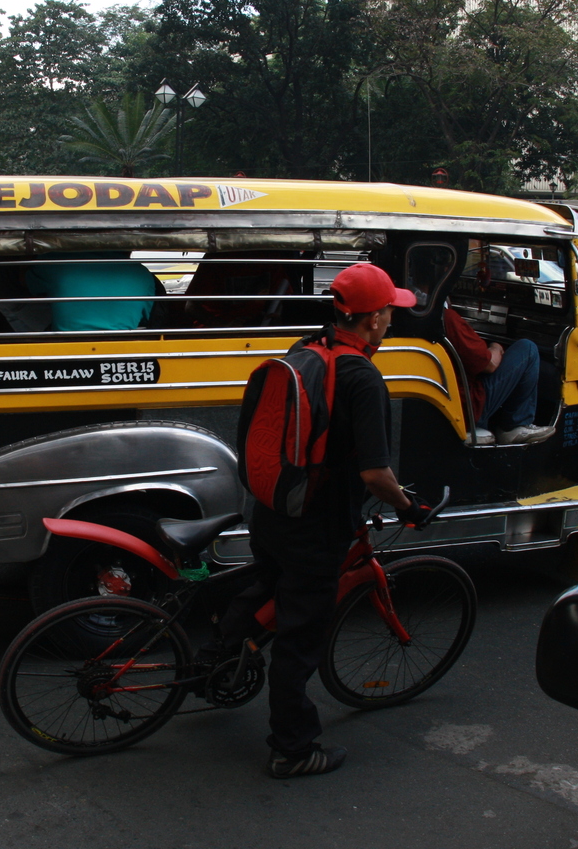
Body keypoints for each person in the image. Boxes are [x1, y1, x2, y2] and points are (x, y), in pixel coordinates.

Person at [221, 261, 422, 778]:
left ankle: (217, 668)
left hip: (272, 508)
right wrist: (406, 506)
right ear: (373, 319)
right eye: (390, 313)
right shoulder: (363, 377)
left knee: (262, 589)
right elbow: (375, 473)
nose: (392, 321)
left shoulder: (305, 350)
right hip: (315, 523)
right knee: (300, 638)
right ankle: (293, 749)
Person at [442, 303, 551, 445]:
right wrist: (496, 346)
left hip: (447, 399)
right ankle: (514, 425)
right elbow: (490, 364)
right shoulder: (447, 318)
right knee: (528, 348)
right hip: (467, 407)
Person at [25, 252, 155, 331]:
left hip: (65, 345)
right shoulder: (142, 272)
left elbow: (28, 288)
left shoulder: (51, 261)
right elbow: (145, 317)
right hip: (122, 346)